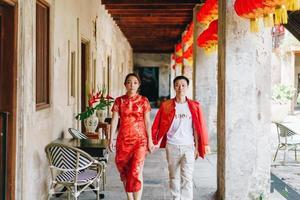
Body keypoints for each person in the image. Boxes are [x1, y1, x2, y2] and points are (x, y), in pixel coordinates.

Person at [152, 75, 210, 200]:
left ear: (187, 87)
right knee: (173, 177)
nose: (180, 88)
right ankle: (175, 198)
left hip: (188, 146)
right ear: (174, 87)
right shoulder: (166, 105)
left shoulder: (194, 106)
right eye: (177, 85)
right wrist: (154, 140)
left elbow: (198, 128)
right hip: (172, 146)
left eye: (183, 85)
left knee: (187, 178)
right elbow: (157, 124)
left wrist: (197, 147)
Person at [108, 73, 155, 200]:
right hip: (123, 141)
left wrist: (150, 140)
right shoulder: (119, 101)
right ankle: (130, 198)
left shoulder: (144, 101)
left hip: (140, 140)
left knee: (136, 170)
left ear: (139, 84)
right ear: (125, 85)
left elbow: (147, 121)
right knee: (125, 171)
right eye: (129, 82)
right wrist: (111, 138)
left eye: (135, 82)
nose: (132, 85)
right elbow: (114, 121)